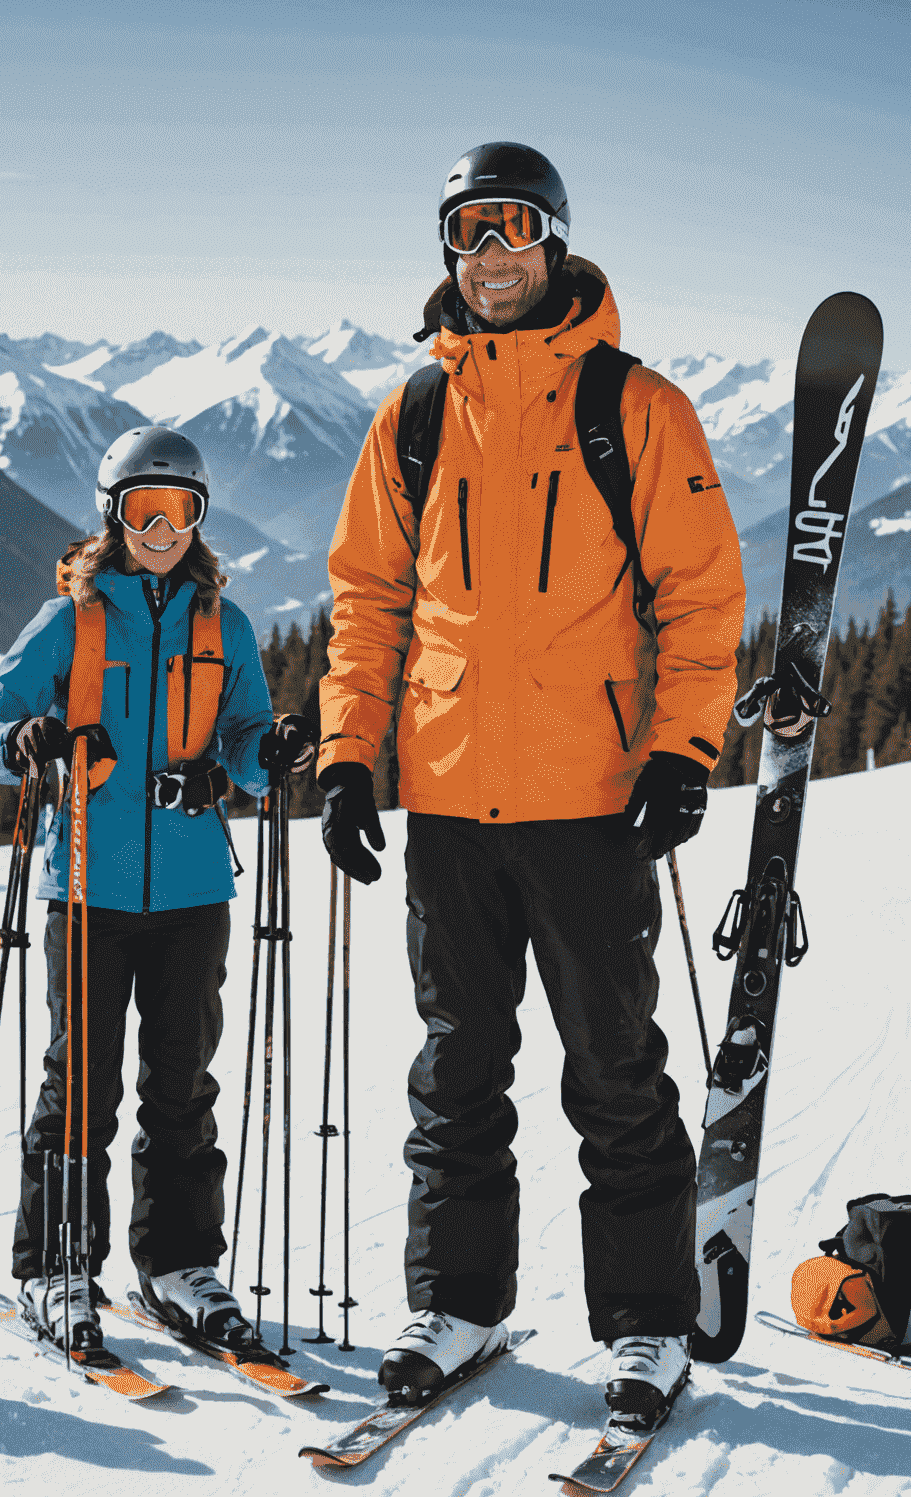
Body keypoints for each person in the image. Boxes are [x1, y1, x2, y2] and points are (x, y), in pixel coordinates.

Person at [316, 142, 745, 1426]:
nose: (490, 255)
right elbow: (368, 602)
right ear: (447, 254)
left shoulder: (635, 404)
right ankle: (459, 1305)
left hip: (590, 795)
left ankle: (647, 1326)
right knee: (457, 1070)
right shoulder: (415, 414)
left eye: (511, 229)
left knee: (613, 1069)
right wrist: (349, 756)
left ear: (554, 242)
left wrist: (683, 746)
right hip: (448, 801)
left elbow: (702, 597)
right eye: (466, 233)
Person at [0, 425, 314, 1356]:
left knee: (182, 1082)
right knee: (81, 1083)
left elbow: (239, 735)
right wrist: (22, 741)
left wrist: (263, 753)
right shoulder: (70, 617)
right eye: (144, 511)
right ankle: (58, 1267)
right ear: (114, 515)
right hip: (85, 885)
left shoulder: (220, 624)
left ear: (200, 519)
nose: (163, 528)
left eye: (181, 511)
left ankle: (178, 1264)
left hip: (195, 886)